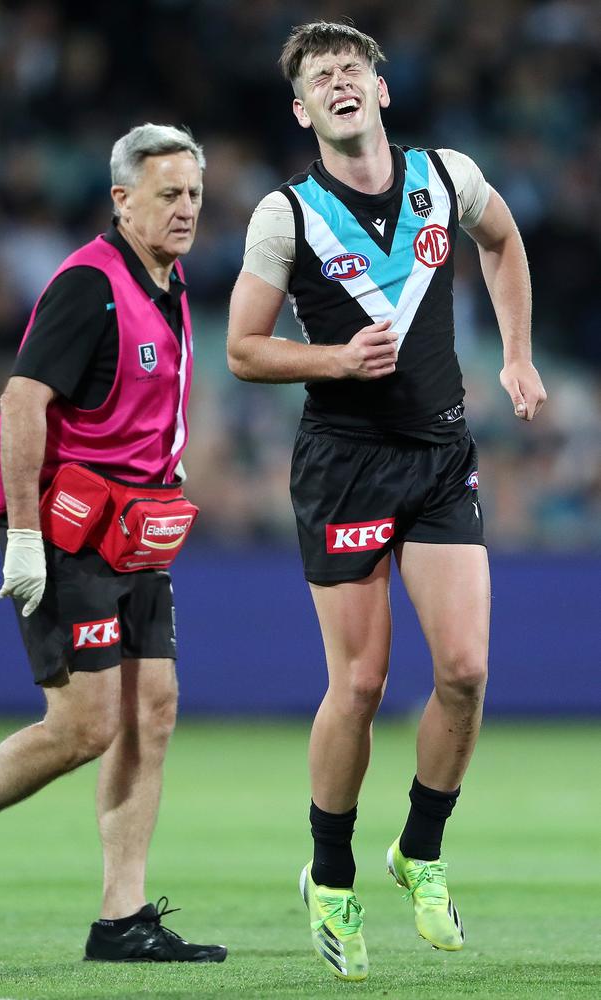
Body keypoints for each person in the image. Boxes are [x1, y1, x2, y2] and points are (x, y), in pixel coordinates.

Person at [228, 22, 546, 982]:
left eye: (351, 68)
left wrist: (518, 352)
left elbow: (505, 243)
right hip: (346, 463)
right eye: (319, 77)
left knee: (465, 671)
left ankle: (422, 852)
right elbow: (244, 348)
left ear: (382, 88)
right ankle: (330, 876)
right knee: (361, 684)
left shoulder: (446, 176)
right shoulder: (286, 215)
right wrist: (332, 358)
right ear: (302, 110)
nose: (338, 82)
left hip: (441, 453)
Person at [0, 123, 227, 965]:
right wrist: (25, 538)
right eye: (167, 195)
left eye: (193, 196)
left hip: (136, 532)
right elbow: (21, 405)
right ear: (122, 199)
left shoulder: (168, 282)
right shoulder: (89, 284)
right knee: (83, 725)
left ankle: (123, 917)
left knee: (154, 709)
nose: (185, 211)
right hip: (69, 533)